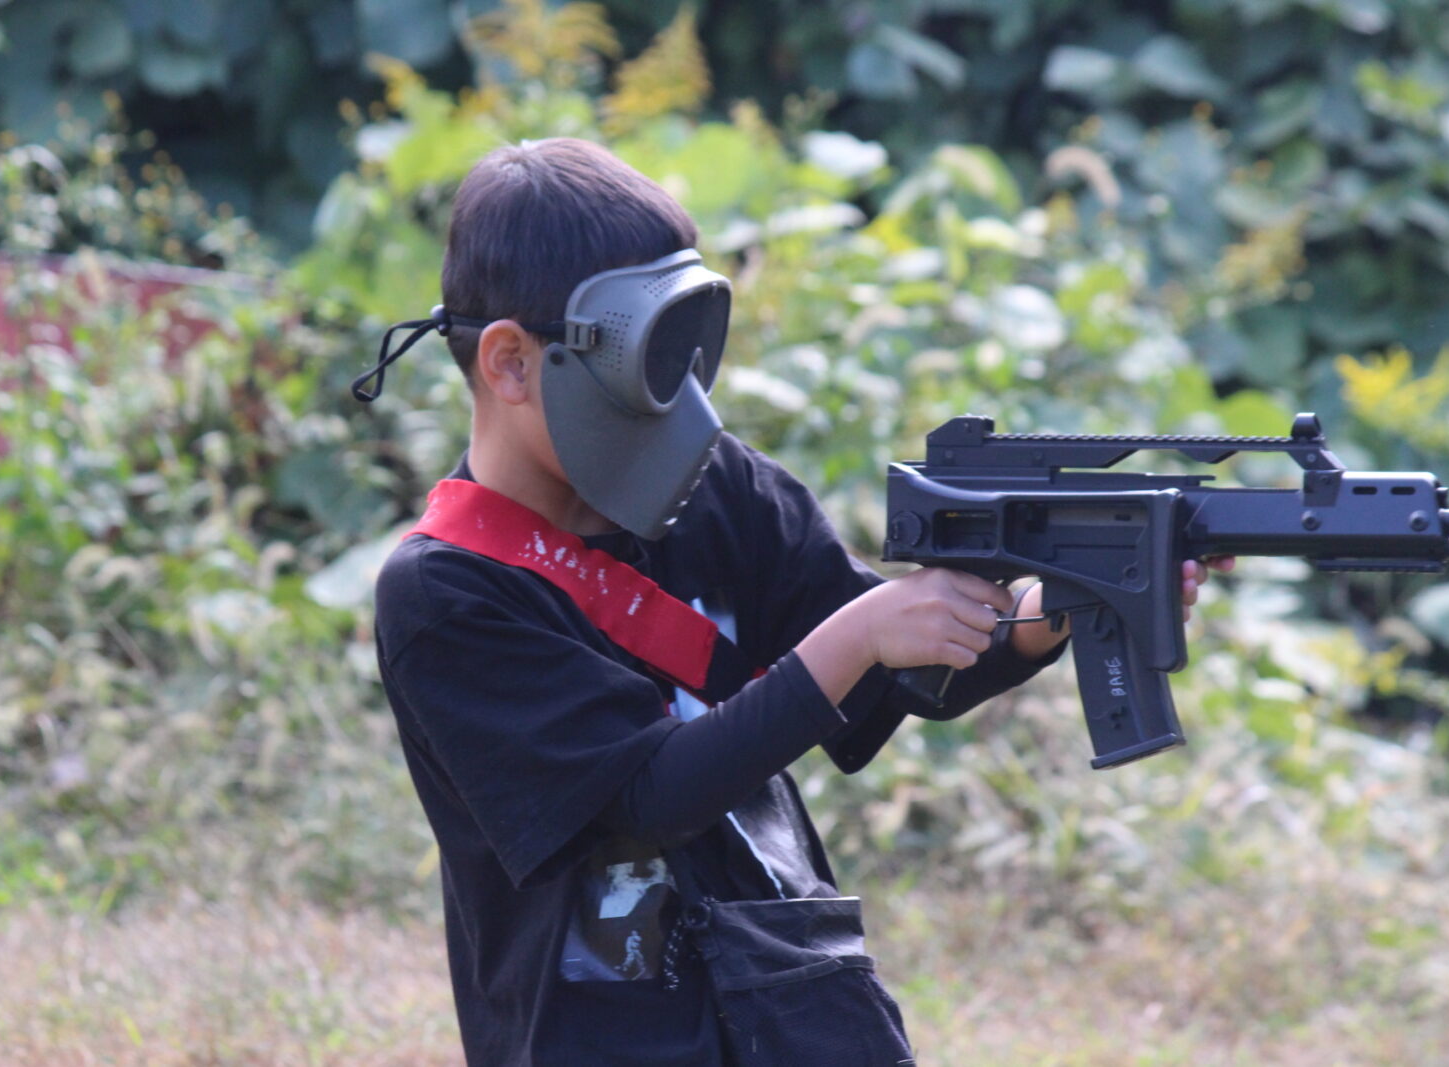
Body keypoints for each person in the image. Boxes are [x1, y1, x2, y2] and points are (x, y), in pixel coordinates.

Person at [355, 137, 1225, 1066]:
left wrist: (1052, 607)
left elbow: (900, 677)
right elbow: (645, 798)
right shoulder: (448, 593)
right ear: (511, 363)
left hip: (795, 1012)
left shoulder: (716, 489)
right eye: (647, 356)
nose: (681, 396)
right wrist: (859, 636)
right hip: (597, 1037)